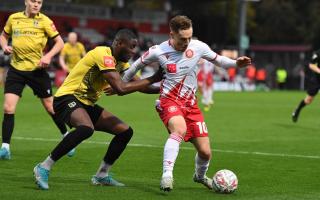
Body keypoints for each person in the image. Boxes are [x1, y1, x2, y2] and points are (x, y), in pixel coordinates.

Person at [122, 15, 251, 191]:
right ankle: (167, 175)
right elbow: (134, 68)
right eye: (183, 39)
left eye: (190, 37)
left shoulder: (198, 47)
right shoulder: (158, 51)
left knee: (205, 152)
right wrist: (120, 85)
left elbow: (219, 60)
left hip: (191, 105)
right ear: (171, 35)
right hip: (169, 101)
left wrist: (236, 63)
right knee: (179, 130)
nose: (187, 42)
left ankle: (199, 176)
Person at [33, 29, 161, 190]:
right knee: (86, 128)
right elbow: (121, 89)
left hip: (86, 103)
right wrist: (155, 77)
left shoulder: (121, 64)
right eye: (131, 46)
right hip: (67, 97)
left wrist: (164, 88)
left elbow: (140, 86)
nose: (133, 51)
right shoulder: (103, 53)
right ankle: (44, 166)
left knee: (125, 132)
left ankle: (102, 175)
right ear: (119, 43)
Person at [0, 0, 69, 160]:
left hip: (37, 71)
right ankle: (5, 147)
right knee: (8, 108)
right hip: (16, 70)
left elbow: (60, 43)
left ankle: (65, 134)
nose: (36, 4)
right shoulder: (14, 18)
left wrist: (48, 56)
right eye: (33, 1)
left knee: (50, 107)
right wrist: (4, 46)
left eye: (39, 2)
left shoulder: (45, 21)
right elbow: (3, 36)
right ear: (26, 2)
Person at [292, 49, 320, 122]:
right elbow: (311, 65)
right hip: (317, 80)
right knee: (308, 100)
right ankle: (297, 109)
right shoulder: (318, 53)